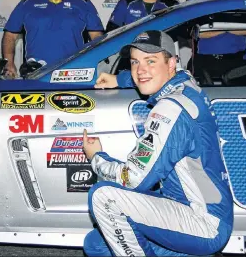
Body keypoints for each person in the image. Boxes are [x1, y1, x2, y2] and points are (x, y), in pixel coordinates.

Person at [83, 30, 234, 256]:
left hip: (203, 222)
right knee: (96, 244)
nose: (140, 70)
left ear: (171, 63)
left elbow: (134, 180)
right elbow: (153, 75)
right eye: (135, 62)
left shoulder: (170, 109)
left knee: (104, 198)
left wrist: (97, 158)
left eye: (150, 61)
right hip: (191, 209)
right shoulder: (187, 85)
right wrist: (119, 78)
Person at [2, 0, 104, 78]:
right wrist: (9, 63)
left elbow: (97, 38)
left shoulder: (83, 3)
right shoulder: (27, 4)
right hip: (35, 73)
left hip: (73, 73)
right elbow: (10, 36)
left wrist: (96, 67)